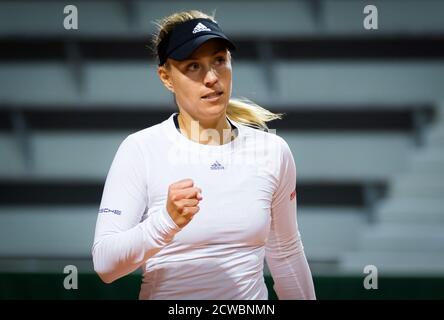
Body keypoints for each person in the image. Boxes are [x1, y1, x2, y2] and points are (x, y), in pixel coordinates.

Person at [92, 10, 316, 300]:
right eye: (193, 66)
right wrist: (166, 221)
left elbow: (286, 254)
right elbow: (105, 265)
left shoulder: (272, 151)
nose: (212, 77)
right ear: (166, 77)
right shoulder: (140, 149)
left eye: (219, 61)